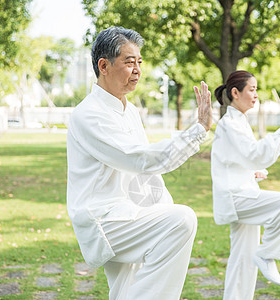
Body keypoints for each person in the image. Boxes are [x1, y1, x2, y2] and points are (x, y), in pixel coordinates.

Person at [66, 26, 212, 300]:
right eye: (129, 62)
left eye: (140, 62)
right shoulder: (88, 115)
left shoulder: (129, 109)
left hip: (130, 212)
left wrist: (162, 206)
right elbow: (139, 159)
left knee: (125, 290)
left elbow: (144, 176)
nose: (137, 70)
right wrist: (197, 131)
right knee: (182, 220)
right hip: (105, 219)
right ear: (103, 65)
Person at [211, 70, 280, 299]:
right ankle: (268, 253)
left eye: (256, 89)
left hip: (241, 193)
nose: (256, 95)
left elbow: (235, 159)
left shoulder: (237, 121)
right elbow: (254, 154)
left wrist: (253, 172)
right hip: (236, 198)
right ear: (235, 93)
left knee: (242, 261)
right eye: (252, 89)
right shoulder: (230, 123)